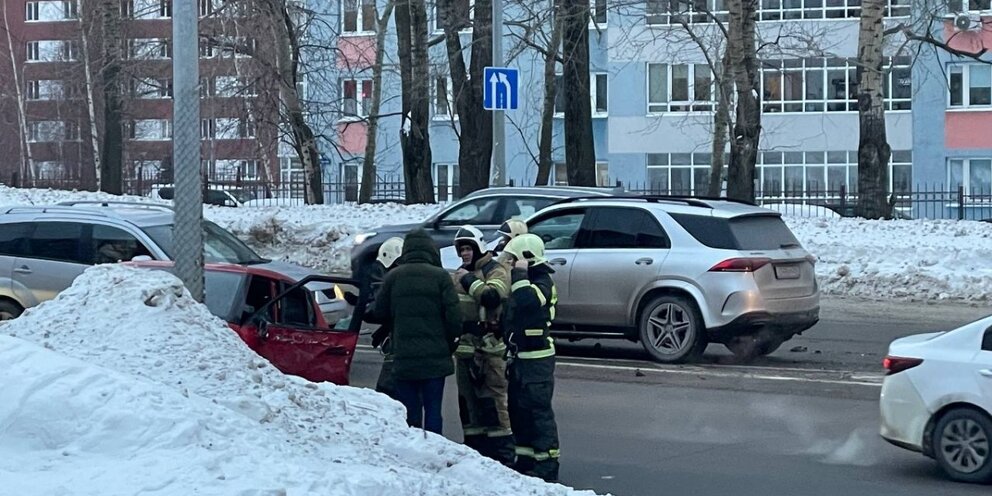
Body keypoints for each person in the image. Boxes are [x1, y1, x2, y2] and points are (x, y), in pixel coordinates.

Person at [371, 229, 461, 434]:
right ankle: (435, 449)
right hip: (435, 358)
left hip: (404, 357)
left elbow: (380, 312)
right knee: (433, 411)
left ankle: (414, 452)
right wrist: (449, 344)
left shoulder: (393, 277)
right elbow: (454, 318)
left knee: (410, 411)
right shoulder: (441, 277)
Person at [451, 225, 514, 465]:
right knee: (468, 403)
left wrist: (467, 280)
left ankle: (503, 454)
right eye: (461, 250)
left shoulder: (495, 270)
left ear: (479, 247)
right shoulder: (459, 273)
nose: (465, 254)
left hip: (491, 349)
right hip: (466, 349)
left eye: (468, 248)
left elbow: (492, 297)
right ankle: (474, 450)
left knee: (494, 401)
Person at [502, 233, 560, 483]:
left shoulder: (542, 281)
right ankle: (525, 459)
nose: (511, 263)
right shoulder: (525, 280)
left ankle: (547, 463)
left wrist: (520, 272)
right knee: (519, 412)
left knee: (538, 413)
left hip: (537, 360)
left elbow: (527, 300)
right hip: (520, 358)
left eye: (514, 258)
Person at [345, 237, 404, 399]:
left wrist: (361, 307)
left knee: (388, 394)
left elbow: (379, 311)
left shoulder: (395, 280)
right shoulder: (417, 278)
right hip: (422, 353)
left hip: (400, 349)